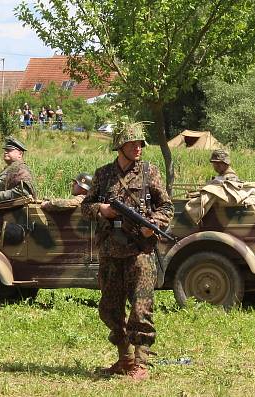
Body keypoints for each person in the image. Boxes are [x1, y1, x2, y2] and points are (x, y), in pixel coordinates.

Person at [81, 122, 173, 380]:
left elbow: (166, 207)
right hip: (110, 253)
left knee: (141, 309)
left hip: (138, 253)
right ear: (120, 147)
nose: (139, 148)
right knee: (109, 309)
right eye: (133, 143)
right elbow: (85, 207)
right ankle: (124, 357)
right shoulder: (103, 175)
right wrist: (102, 209)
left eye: (141, 144)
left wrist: (153, 225)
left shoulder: (149, 173)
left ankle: (141, 362)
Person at [0, 137, 37, 203]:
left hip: (14, 212)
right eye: (5, 150)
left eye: (9, 150)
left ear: (20, 154)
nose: (5, 152)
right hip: (1, 210)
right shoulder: (11, 168)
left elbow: (24, 192)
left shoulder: (21, 169)